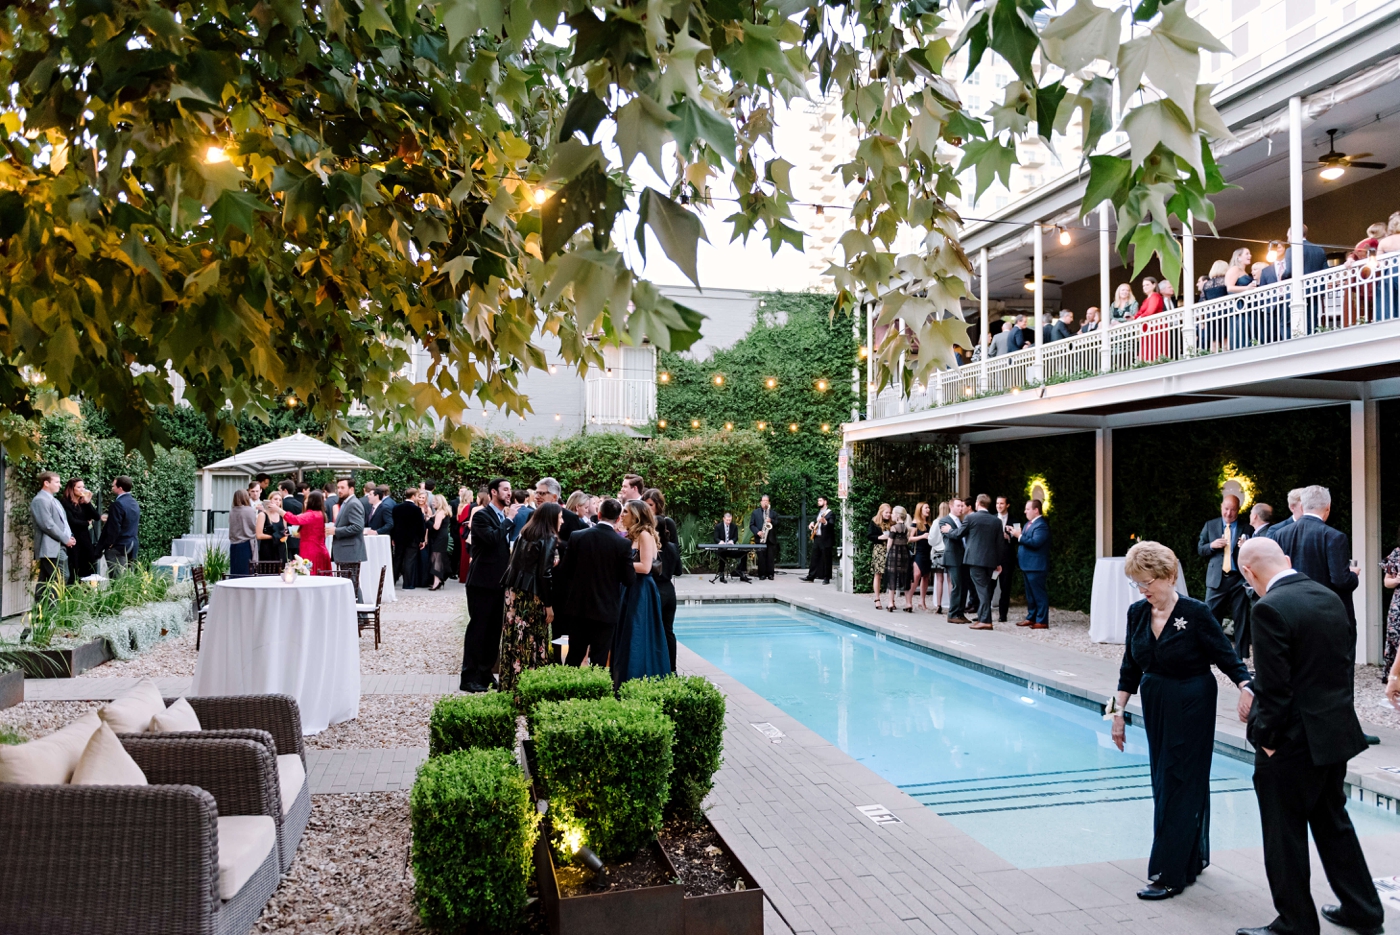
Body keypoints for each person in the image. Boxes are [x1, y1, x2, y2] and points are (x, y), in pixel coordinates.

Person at [1235, 537, 1383, 935]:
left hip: (1290, 743)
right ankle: (1364, 910)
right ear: (1285, 559)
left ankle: (1296, 923)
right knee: (1334, 824)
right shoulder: (1328, 596)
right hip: (1335, 734)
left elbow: (1274, 688)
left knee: (1284, 835)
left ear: (1248, 573)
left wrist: (1264, 737)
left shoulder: (1268, 608)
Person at [1112, 541, 1252, 901]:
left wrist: (1247, 686)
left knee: (1180, 779)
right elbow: (1128, 666)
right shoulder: (1136, 613)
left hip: (1192, 701)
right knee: (1165, 779)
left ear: (1170, 576)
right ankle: (1190, 857)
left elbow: (1226, 655)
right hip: (1156, 702)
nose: (1143, 591)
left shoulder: (1196, 612)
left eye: (1148, 583)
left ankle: (1168, 873)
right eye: (1137, 584)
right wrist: (1116, 712)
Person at [562, 498, 636, 667]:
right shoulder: (622, 544)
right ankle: (597, 692)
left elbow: (566, 570)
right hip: (606, 608)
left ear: (599, 514)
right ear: (617, 519)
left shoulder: (577, 536)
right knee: (599, 659)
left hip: (579, 606)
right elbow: (629, 579)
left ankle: (567, 691)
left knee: (574, 654)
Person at [1272, 485, 1358, 631]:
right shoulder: (1334, 536)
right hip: (1328, 614)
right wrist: (1353, 575)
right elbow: (1341, 580)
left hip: (1292, 611)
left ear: (1302, 505)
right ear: (1328, 507)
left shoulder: (1280, 534)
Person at [499, 501, 563, 692]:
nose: (562, 521)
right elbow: (544, 574)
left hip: (514, 593)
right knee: (532, 640)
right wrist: (549, 604)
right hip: (533, 596)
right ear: (551, 518)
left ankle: (510, 687)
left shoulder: (524, 534)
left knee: (513, 638)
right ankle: (529, 691)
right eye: (560, 517)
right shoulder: (549, 538)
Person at [610, 499, 671, 690]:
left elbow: (645, 567)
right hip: (629, 588)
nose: (623, 515)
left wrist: (618, 566)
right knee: (626, 634)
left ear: (636, 514)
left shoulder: (645, 535)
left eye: (626, 512)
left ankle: (638, 678)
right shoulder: (631, 535)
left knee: (637, 633)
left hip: (641, 589)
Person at [461, 478, 513, 692]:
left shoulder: (501, 517)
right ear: (494, 492)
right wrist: (508, 521)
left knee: (493, 631)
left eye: (510, 490)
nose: (509, 493)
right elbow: (491, 539)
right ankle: (468, 677)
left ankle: (485, 672)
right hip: (481, 582)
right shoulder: (482, 515)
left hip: (499, 582)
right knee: (478, 629)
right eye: (505, 490)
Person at [1198, 494, 1252, 658]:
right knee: (1210, 617)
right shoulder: (1210, 525)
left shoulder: (1247, 528)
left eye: (1233, 510)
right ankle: (1209, 653)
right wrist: (1212, 545)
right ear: (1221, 507)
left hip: (1239, 579)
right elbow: (1200, 549)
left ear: (1239, 510)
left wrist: (1246, 546)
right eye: (1226, 509)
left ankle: (1240, 655)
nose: (1229, 513)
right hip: (1217, 579)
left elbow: (1255, 551)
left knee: (1241, 618)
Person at [947, 494, 1002, 630]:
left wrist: (949, 531)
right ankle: (984, 618)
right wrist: (999, 563)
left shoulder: (971, 518)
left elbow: (959, 534)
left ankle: (985, 620)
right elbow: (999, 544)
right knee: (985, 589)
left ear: (977, 503)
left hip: (975, 559)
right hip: (990, 561)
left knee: (982, 590)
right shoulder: (996, 521)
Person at [643, 488, 680, 672]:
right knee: (667, 630)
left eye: (650, 505)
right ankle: (670, 669)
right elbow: (678, 567)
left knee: (656, 630)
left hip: (656, 586)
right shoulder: (671, 547)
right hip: (668, 589)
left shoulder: (653, 543)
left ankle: (660, 667)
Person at [30, 471, 73, 599]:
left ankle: (41, 614)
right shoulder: (40, 500)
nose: (60, 485)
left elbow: (62, 522)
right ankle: (52, 611)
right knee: (61, 576)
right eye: (57, 482)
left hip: (58, 544)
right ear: (46, 483)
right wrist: (66, 539)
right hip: (49, 547)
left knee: (45, 580)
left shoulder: (53, 500)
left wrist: (69, 536)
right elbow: (47, 525)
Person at [1010, 498, 1050, 628]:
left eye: (1027, 509)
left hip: (1036, 565)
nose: (1025, 511)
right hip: (1027, 564)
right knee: (1030, 594)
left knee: (1039, 594)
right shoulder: (1029, 523)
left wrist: (1019, 536)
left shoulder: (1041, 525)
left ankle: (1042, 620)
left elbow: (1035, 543)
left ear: (1036, 510)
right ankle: (1031, 617)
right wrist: (1017, 533)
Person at [330, 477, 367, 601]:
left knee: (352, 583)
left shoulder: (353, 503)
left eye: (342, 488)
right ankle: (357, 614)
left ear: (351, 489)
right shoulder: (347, 503)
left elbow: (357, 527)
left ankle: (361, 616)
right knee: (350, 583)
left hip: (350, 551)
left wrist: (336, 531)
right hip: (346, 550)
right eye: (338, 488)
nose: (339, 490)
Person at [97, 475, 140, 576]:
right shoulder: (134, 502)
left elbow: (114, 527)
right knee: (128, 576)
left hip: (119, 546)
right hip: (132, 543)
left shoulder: (118, 504)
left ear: (120, 488)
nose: (112, 488)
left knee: (117, 578)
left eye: (113, 486)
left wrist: (109, 543)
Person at [60, 478, 100, 582]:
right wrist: (86, 523)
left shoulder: (83, 503)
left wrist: (88, 503)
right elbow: (71, 521)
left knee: (89, 568)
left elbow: (96, 517)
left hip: (85, 539)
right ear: (72, 489)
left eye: (83, 486)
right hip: (74, 539)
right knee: (75, 567)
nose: (82, 489)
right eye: (79, 487)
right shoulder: (65, 503)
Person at [283, 490, 331, 574]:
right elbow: (309, 533)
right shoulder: (320, 514)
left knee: (310, 574)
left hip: (311, 551)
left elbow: (294, 519)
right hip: (318, 549)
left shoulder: (312, 514)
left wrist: (279, 510)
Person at [939, 499, 969, 623]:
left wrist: (953, 530)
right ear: (951, 506)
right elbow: (954, 536)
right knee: (957, 585)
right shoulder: (944, 521)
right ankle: (952, 614)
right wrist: (953, 531)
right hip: (952, 557)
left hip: (963, 557)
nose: (961, 508)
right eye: (958, 506)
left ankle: (960, 612)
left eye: (962, 506)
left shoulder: (961, 522)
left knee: (964, 585)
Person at [391, 488, 426, 589]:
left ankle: (393, 581)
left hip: (399, 538)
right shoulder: (417, 510)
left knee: (397, 559)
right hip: (412, 539)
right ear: (413, 496)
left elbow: (394, 524)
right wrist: (422, 539)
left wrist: (393, 537)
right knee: (409, 560)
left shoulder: (396, 508)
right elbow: (421, 526)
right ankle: (408, 583)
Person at [1134, 281, 1175, 362]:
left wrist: (1140, 318)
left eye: (1147, 285)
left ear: (1154, 285)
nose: (1145, 287)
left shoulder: (1155, 296)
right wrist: (1133, 318)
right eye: (1143, 285)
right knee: (1148, 350)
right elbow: (1141, 312)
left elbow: (1151, 311)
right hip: (1149, 328)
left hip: (1158, 327)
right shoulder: (1146, 300)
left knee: (1156, 349)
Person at [881, 506, 912, 613]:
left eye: (893, 513)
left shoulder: (894, 528)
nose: (891, 515)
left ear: (898, 515)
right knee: (905, 577)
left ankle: (890, 603)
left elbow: (890, 543)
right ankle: (908, 603)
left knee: (892, 576)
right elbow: (907, 540)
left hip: (894, 553)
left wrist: (887, 551)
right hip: (905, 553)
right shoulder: (907, 527)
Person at [993, 495, 1017, 624]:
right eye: (997, 503)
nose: (999, 506)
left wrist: (1008, 537)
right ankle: (984, 613)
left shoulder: (1014, 520)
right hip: (992, 559)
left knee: (1005, 587)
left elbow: (1018, 538)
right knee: (989, 586)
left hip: (1007, 559)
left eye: (1001, 503)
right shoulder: (991, 519)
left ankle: (1003, 615)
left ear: (1007, 505)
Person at [227, 488, 258, 577]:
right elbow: (253, 526)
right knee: (245, 572)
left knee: (235, 571)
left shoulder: (232, 511)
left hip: (234, 544)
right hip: (246, 544)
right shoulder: (249, 510)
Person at [909, 502, 933, 611]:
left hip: (928, 552)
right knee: (916, 575)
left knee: (926, 577)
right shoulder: (915, 523)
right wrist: (922, 536)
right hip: (918, 552)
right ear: (920, 510)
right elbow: (909, 539)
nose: (928, 509)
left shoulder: (929, 524)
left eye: (928, 507)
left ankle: (922, 601)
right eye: (926, 508)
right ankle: (908, 598)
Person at [805, 495, 835, 584]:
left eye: (820, 500)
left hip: (826, 539)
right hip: (817, 538)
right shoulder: (819, 512)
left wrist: (825, 522)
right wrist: (812, 525)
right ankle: (811, 576)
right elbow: (817, 523)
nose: (818, 502)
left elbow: (832, 524)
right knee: (814, 557)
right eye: (818, 500)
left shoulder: (830, 513)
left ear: (825, 502)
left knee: (827, 559)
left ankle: (827, 578)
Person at [1383, 529, 1400, 681]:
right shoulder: (1397, 553)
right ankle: (1395, 679)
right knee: (1396, 638)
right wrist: (1396, 580)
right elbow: (1386, 582)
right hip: (1398, 605)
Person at [254, 489, 288, 565]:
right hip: (267, 548)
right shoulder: (263, 515)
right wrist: (275, 536)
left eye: (280, 500)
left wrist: (286, 534)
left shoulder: (282, 516)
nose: (277, 501)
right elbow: (259, 535)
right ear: (270, 500)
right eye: (275, 499)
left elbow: (285, 531)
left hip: (280, 549)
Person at [867, 503, 892, 607]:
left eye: (890, 513)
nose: (888, 515)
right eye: (886, 512)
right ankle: (877, 598)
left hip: (890, 549)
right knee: (878, 574)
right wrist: (880, 537)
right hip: (879, 549)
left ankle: (891, 600)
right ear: (881, 512)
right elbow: (869, 536)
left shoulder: (892, 522)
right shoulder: (874, 522)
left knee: (891, 574)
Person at [427, 494, 453, 590]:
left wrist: (428, 521)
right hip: (442, 536)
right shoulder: (442, 511)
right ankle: (439, 579)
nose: (433, 503)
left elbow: (436, 527)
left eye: (435, 501)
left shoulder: (440, 512)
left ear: (440, 502)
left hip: (439, 537)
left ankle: (437, 581)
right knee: (438, 557)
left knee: (436, 558)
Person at [929, 502, 950, 614]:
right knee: (950, 580)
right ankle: (952, 605)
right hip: (949, 552)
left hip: (938, 552)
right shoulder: (951, 521)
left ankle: (939, 605)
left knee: (939, 579)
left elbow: (931, 539)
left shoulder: (936, 522)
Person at [749, 494, 775, 581]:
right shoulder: (755, 512)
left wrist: (771, 521)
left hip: (770, 538)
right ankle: (762, 574)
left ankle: (770, 574)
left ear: (769, 502)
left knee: (770, 557)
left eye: (766, 501)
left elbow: (778, 523)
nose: (765, 502)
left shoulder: (773, 513)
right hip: (760, 537)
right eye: (763, 501)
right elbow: (751, 525)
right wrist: (758, 532)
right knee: (761, 557)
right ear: (760, 502)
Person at [711, 511, 743, 582]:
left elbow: (736, 537)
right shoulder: (718, 526)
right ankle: (721, 575)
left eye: (730, 520)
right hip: (722, 548)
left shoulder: (734, 526)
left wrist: (732, 541)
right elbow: (715, 538)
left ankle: (742, 573)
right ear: (724, 519)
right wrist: (720, 541)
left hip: (731, 548)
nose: (729, 522)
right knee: (722, 555)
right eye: (727, 520)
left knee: (744, 552)